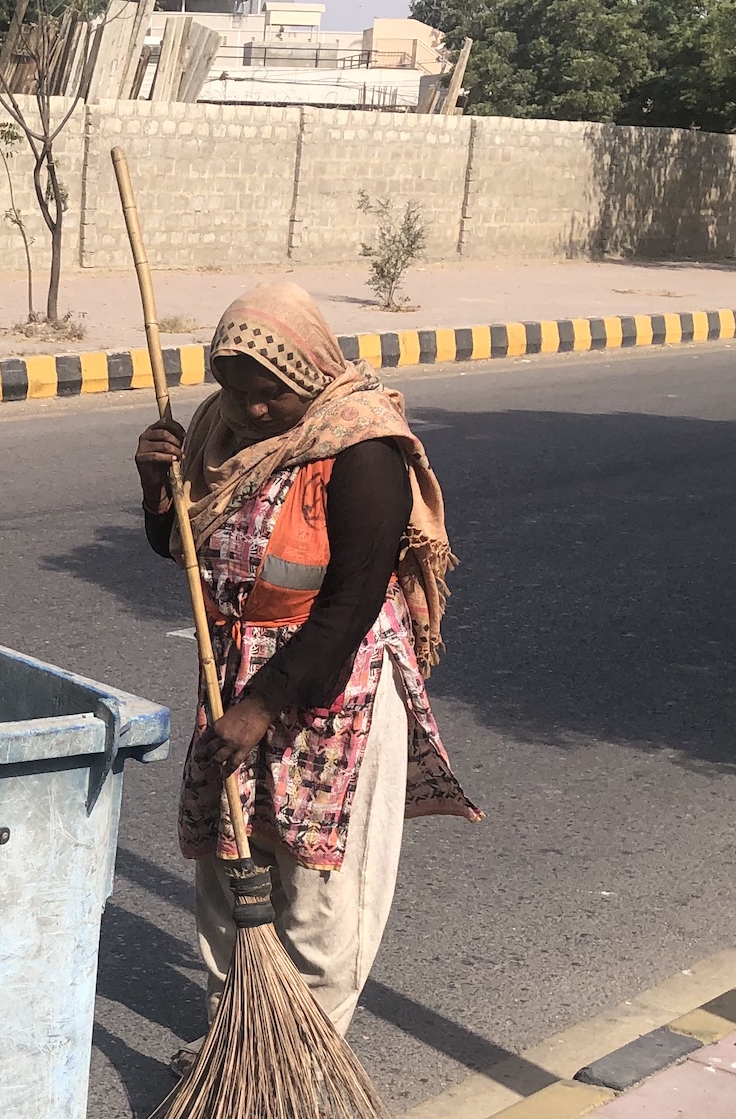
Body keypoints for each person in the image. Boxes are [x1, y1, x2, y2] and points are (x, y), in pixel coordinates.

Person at [134, 280, 479, 1041]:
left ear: (312, 371)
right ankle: (234, 1047)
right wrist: (156, 481)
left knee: (321, 896)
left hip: (333, 687)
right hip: (233, 680)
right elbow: (181, 548)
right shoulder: (215, 432)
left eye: (270, 393)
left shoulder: (364, 448)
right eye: (235, 390)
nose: (252, 410)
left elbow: (351, 604)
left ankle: (305, 1058)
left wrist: (263, 707)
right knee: (231, 869)